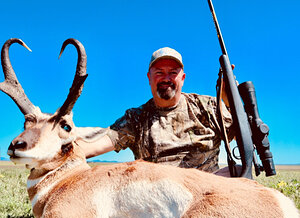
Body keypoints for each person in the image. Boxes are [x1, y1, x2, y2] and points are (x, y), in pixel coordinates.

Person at [78, 47, 234, 173]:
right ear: (149, 77)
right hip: (156, 199)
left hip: (208, 191)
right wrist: (59, 148)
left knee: (237, 172)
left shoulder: (207, 107)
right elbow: (97, 144)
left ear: (183, 78)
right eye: (159, 72)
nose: (166, 78)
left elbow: (239, 133)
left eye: (173, 72)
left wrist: (229, 100)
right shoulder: (135, 119)